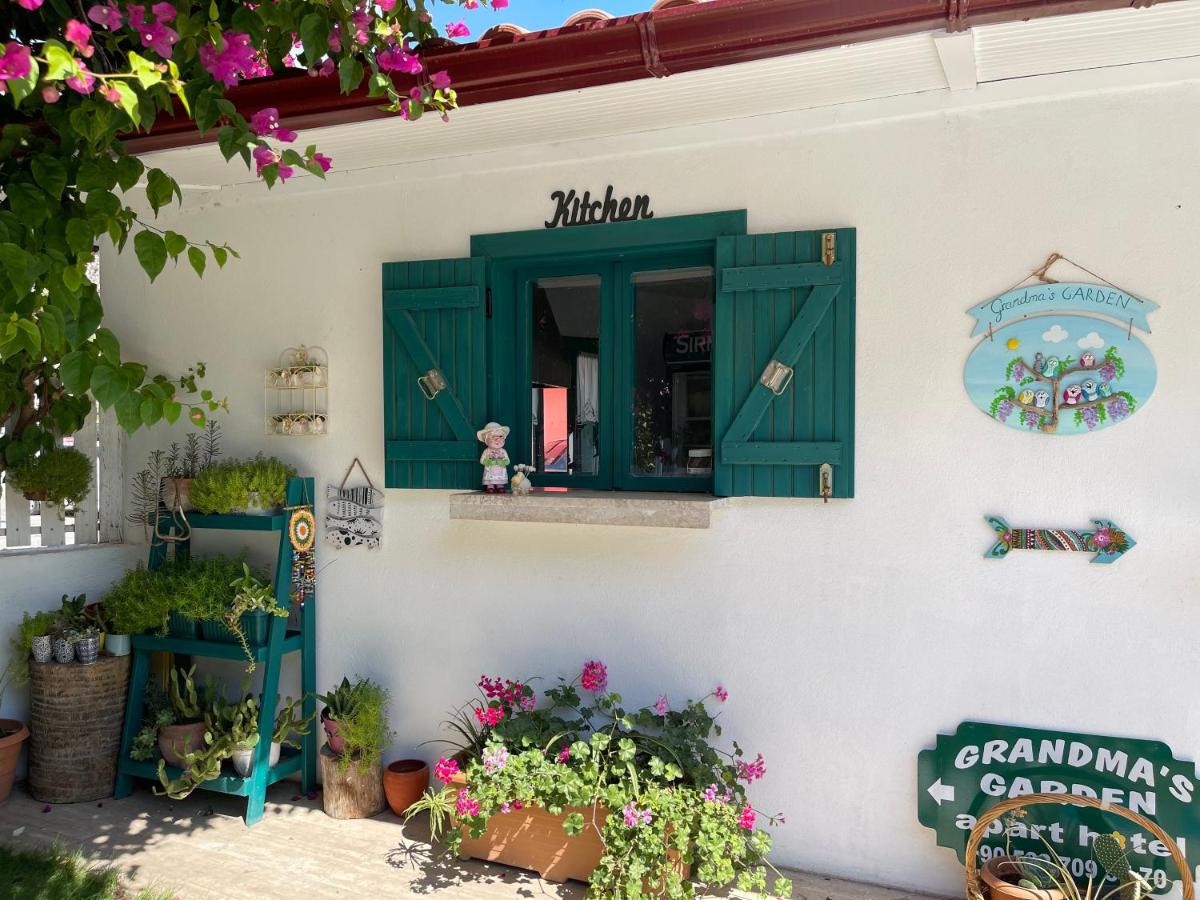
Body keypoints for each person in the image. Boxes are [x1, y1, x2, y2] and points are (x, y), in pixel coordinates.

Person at [477, 422, 511, 493]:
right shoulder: (487, 451)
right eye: (493, 437)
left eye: (500, 437)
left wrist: (502, 461)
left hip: (500, 471)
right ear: (486, 440)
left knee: (500, 479)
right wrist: (488, 461)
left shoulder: (503, 451)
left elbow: (508, 461)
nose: (497, 440)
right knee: (490, 478)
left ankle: (500, 485)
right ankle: (490, 486)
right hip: (490, 471)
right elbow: (482, 460)